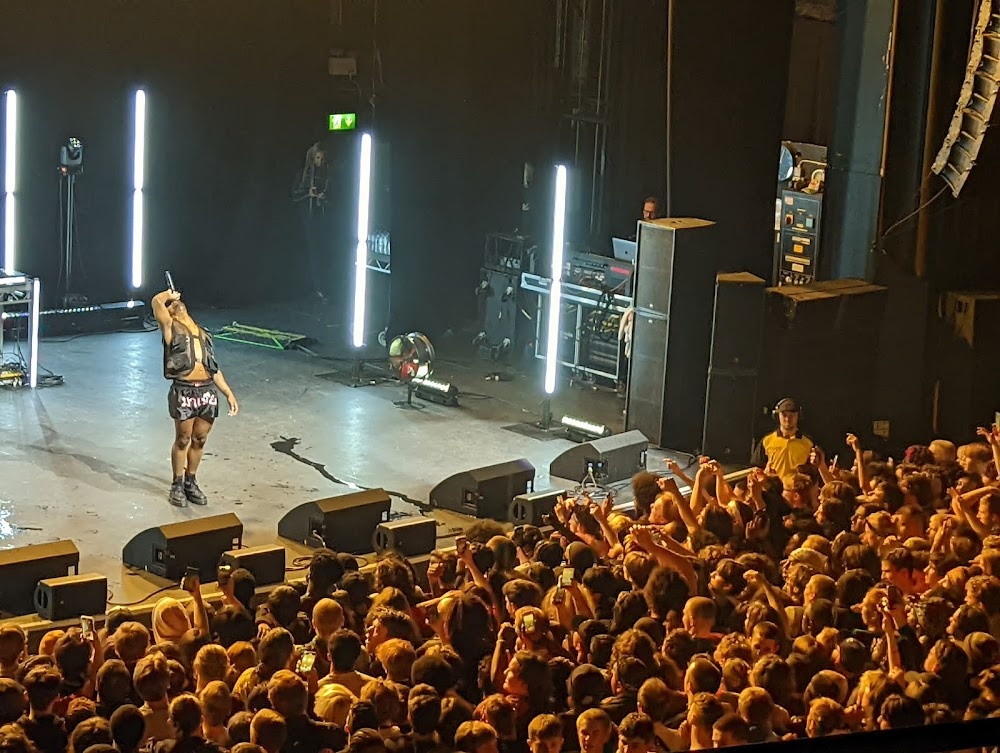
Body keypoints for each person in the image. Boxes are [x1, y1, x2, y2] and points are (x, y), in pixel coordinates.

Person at [152, 288, 239, 507]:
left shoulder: (203, 334)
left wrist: (228, 393)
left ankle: (191, 481)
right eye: (170, 306)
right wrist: (168, 295)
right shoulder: (171, 329)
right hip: (185, 390)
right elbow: (156, 302)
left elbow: (214, 369)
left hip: (207, 390)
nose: (175, 305)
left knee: (200, 439)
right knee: (183, 439)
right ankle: (177, 484)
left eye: (177, 303)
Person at [292, 143, 331, 301]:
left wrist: (323, 197)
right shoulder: (303, 176)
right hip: (307, 221)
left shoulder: (327, 176)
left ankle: (322, 287)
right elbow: (295, 194)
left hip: (322, 221)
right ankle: (312, 286)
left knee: (322, 254)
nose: (320, 161)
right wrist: (308, 194)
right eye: (317, 158)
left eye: (322, 158)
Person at [750, 398, 814, 481]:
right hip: (772, 491)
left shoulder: (808, 443)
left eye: (792, 415)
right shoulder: (767, 440)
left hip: (797, 491)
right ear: (777, 416)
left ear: (798, 416)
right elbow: (756, 468)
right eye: (784, 415)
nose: (788, 419)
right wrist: (764, 474)